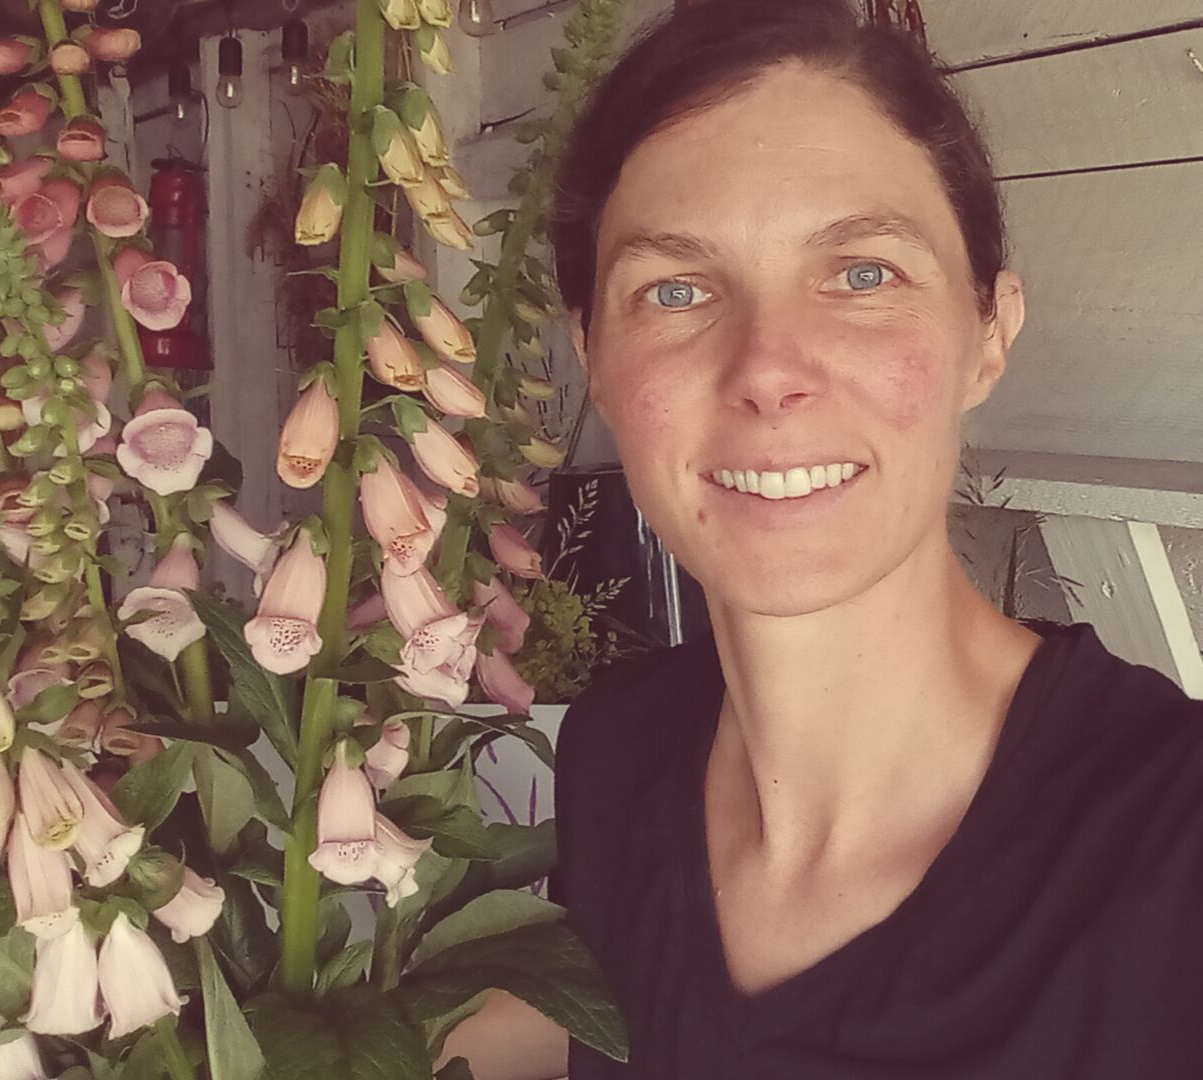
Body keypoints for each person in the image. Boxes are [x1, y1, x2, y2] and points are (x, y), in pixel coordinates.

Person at [439, 0, 1203, 1076]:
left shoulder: (1174, 857)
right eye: (675, 289)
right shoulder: (616, 757)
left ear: (988, 332)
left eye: (860, 274)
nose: (765, 368)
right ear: (596, 361)